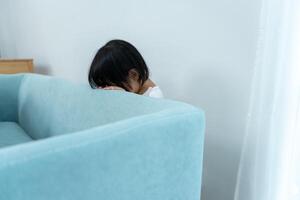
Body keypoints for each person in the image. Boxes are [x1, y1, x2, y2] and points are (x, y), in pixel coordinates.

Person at [88, 39, 163, 98]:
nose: (111, 90)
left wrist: (124, 97)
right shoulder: (135, 86)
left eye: (116, 87)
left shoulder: (154, 97)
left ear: (134, 75)